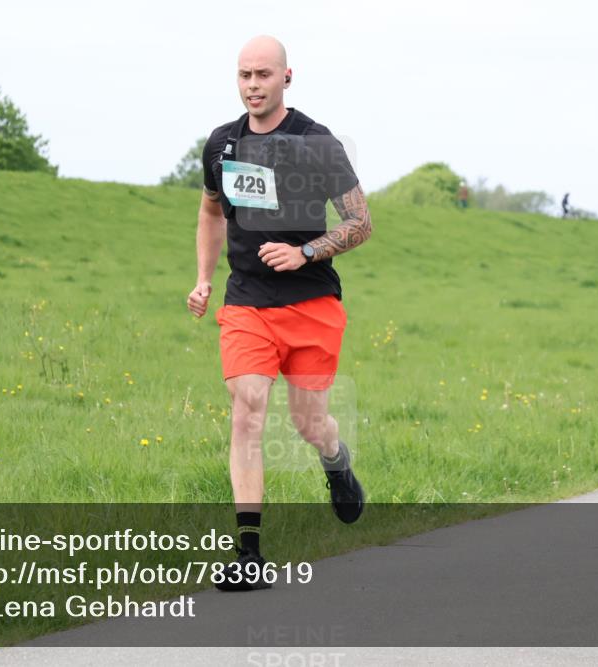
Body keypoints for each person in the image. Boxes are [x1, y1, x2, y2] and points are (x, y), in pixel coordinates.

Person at [186, 35, 370, 592]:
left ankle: (336, 461)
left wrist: (305, 251)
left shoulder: (316, 143)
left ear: (287, 77)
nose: (252, 86)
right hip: (247, 303)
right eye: (244, 75)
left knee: (308, 422)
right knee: (248, 408)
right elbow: (211, 212)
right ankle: (249, 553)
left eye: (263, 75)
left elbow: (360, 223)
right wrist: (202, 278)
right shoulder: (221, 146)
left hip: (312, 303)